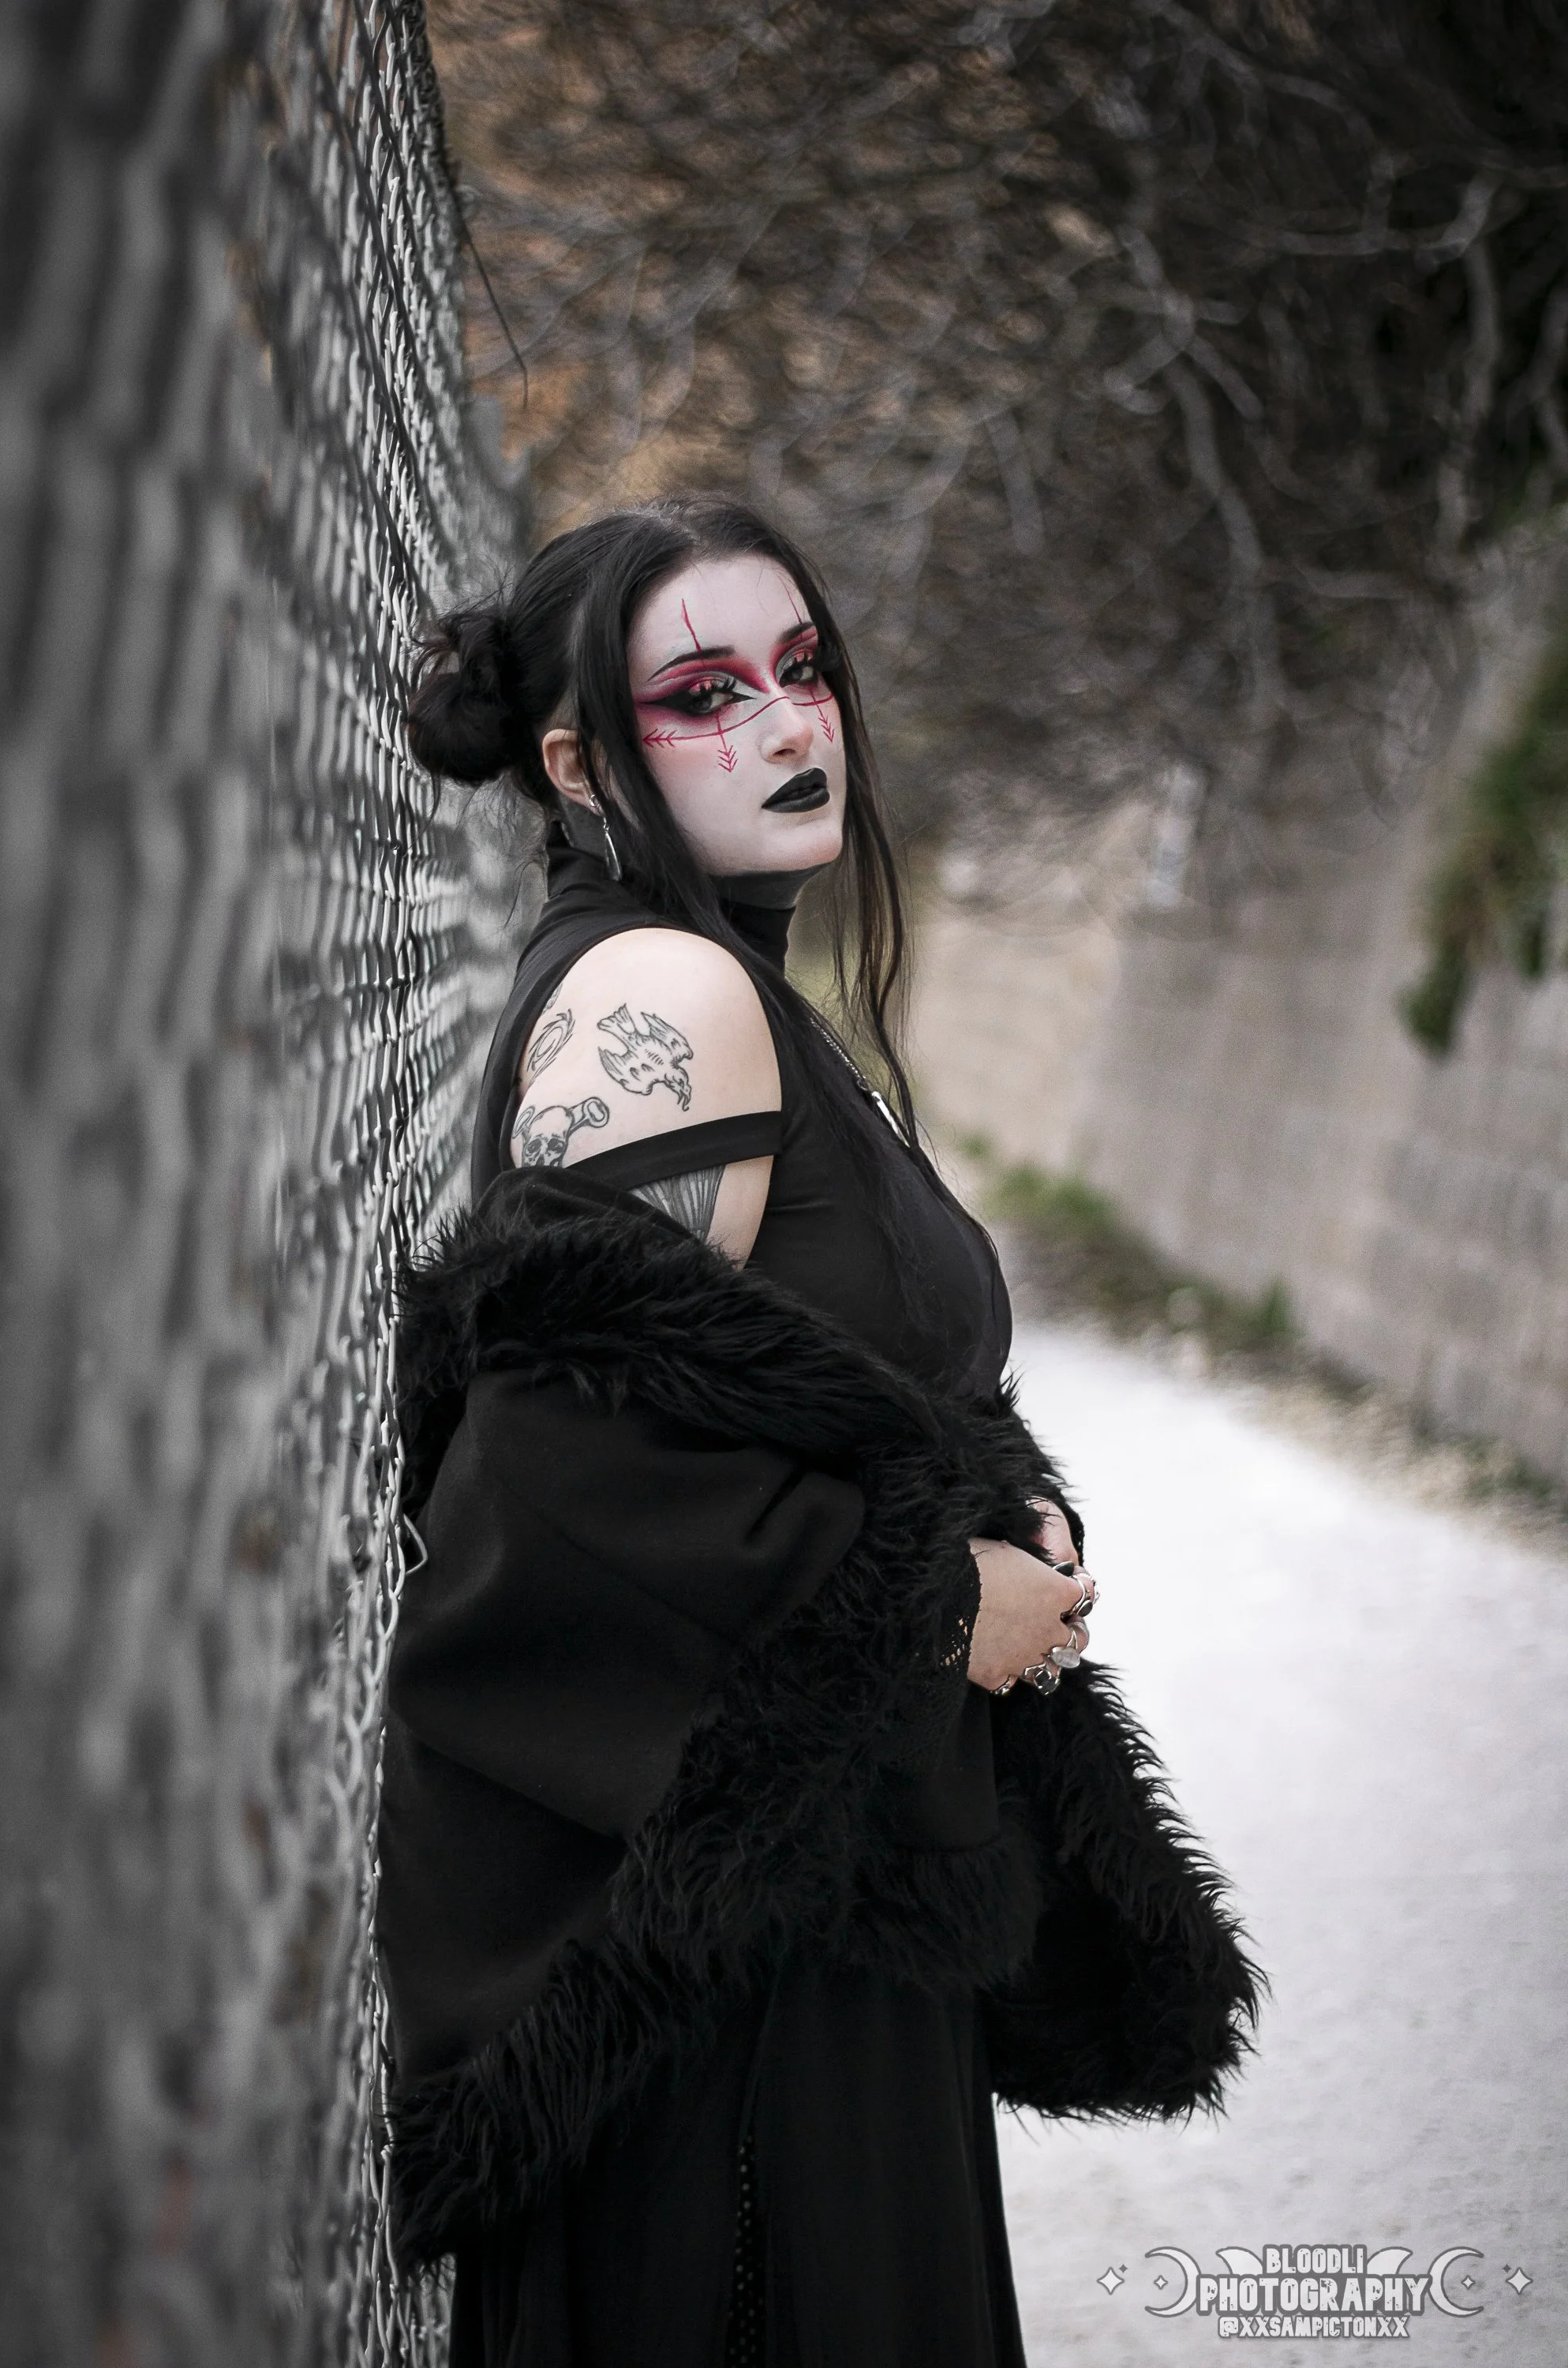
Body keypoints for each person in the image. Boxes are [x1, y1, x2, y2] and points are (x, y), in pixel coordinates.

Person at [376, 495, 1258, 2368]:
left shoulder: (730, 986)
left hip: (818, 1890)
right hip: (733, 1988)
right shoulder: (667, 998)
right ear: (576, 764)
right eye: (707, 693)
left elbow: (782, 1379)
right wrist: (937, 1600)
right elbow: (554, 1459)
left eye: (805, 670)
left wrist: (998, 1507)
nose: (791, 726)